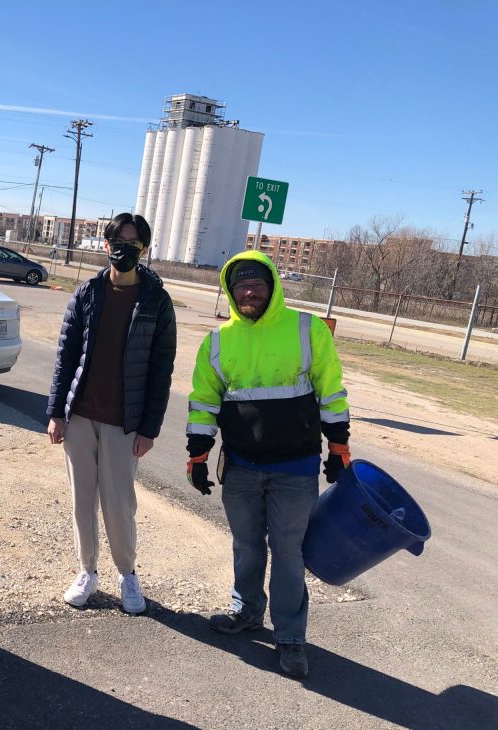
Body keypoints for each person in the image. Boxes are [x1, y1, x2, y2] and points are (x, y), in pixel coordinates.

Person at [186, 250, 350, 679]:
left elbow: (331, 391)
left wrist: (338, 447)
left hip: (294, 469)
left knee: (289, 552)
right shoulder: (218, 341)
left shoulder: (306, 329)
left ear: (273, 285)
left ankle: (291, 637)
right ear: (230, 290)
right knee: (246, 545)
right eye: (241, 284)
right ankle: (246, 611)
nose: (250, 290)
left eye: (258, 282)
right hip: (240, 467)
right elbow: (204, 400)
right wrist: (198, 454)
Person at [46, 213, 177, 614]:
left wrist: (149, 427)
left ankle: (128, 574)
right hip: (81, 416)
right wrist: (56, 412)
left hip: (126, 422)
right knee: (81, 500)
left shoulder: (156, 300)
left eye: (134, 242)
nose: (124, 248)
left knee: (119, 503)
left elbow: (161, 369)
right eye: (118, 240)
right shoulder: (87, 294)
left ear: (145, 249)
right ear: (106, 244)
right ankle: (87, 571)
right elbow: (66, 355)